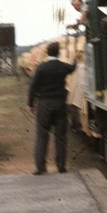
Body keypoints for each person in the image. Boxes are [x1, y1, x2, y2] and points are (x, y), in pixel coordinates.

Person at [28, 41, 76, 175]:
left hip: (44, 104)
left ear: (47, 53)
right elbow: (72, 68)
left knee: (42, 136)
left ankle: (40, 167)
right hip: (60, 104)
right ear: (58, 53)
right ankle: (61, 167)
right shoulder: (62, 66)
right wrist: (75, 60)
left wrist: (30, 104)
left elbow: (33, 86)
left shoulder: (42, 67)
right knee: (60, 137)